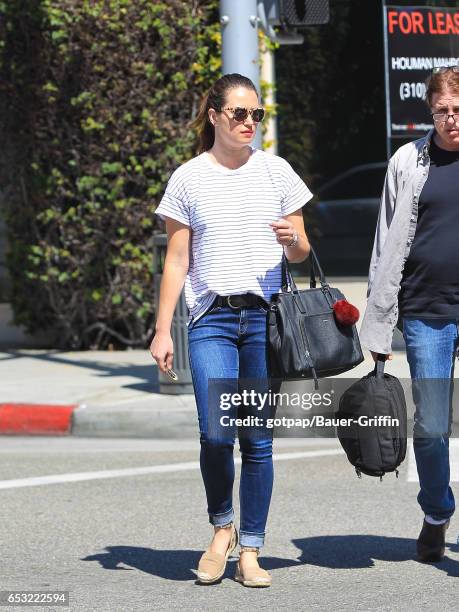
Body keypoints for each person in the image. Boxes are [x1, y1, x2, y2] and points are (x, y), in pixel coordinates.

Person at [150, 73, 312, 586]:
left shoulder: (278, 172)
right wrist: (162, 330)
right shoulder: (188, 178)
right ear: (215, 116)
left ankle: (251, 549)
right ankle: (221, 526)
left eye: (256, 115)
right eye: (239, 113)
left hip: (264, 320)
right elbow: (177, 260)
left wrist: (293, 241)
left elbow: (303, 250)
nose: (248, 123)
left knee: (257, 440)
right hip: (211, 320)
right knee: (217, 434)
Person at [360, 65, 459, 562]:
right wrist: (377, 321)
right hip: (426, 312)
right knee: (433, 424)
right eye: (442, 110)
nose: (451, 119)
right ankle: (438, 512)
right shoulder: (408, 161)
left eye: (458, 110)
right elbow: (384, 241)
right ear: (430, 110)